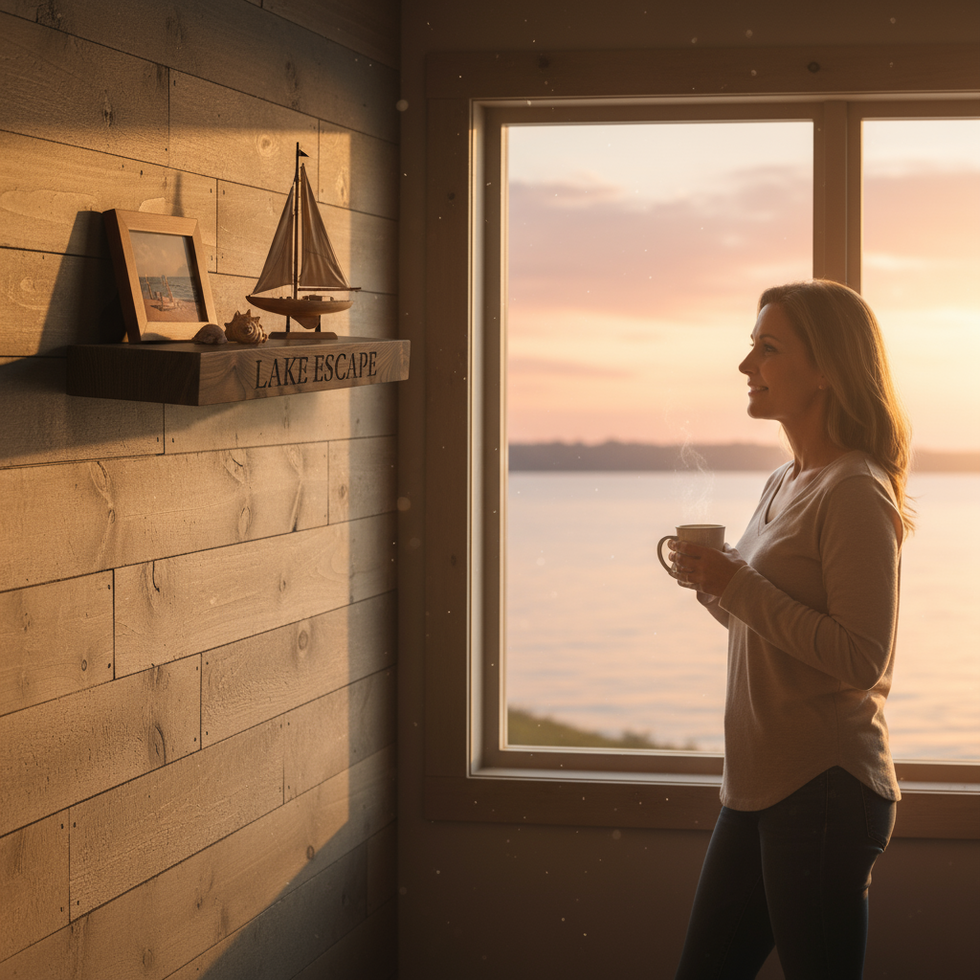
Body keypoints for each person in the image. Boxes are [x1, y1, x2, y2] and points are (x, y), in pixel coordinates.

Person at [671, 280, 913, 980]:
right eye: (752, 347)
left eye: (768, 349)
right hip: (758, 789)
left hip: (826, 791)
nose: (747, 366)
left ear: (828, 371)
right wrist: (711, 588)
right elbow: (766, 621)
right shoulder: (785, 479)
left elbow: (860, 658)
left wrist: (736, 584)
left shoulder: (856, 491)